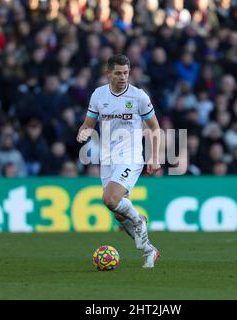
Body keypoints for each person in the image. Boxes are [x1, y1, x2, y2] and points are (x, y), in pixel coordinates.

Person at [76, 54, 161, 268]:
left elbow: (154, 128)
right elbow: (88, 123)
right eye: (118, 73)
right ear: (108, 73)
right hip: (108, 158)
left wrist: (154, 156)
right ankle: (149, 250)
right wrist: (83, 132)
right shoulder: (98, 95)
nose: (123, 77)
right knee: (117, 212)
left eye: (126, 73)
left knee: (110, 199)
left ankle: (139, 219)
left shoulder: (139, 96)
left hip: (131, 156)